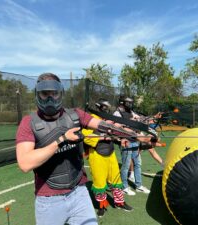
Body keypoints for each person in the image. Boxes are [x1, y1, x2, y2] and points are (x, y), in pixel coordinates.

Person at [15, 73, 152, 225]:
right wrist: (61, 140)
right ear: (37, 94)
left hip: (78, 192)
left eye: (54, 94)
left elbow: (104, 126)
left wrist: (136, 135)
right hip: (48, 199)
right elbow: (25, 163)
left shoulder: (75, 115)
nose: (50, 98)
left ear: (60, 94)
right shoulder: (29, 123)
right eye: (45, 94)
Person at [82, 99, 133, 217]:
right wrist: (101, 137)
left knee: (116, 180)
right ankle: (102, 206)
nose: (107, 110)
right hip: (97, 155)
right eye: (105, 107)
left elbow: (114, 135)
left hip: (110, 154)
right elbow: (85, 135)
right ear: (100, 107)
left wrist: (121, 140)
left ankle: (120, 202)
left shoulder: (107, 120)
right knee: (99, 182)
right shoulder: (90, 119)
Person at [113, 96, 151, 195]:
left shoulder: (131, 112)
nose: (130, 105)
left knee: (137, 164)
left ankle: (138, 186)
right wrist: (129, 125)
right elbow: (116, 127)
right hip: (126, 141)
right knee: (125, 166)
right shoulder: (117, 113)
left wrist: (143, 119)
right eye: (128, 103)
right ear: (122, 103)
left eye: (131, 103)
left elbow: (139, 120)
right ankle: (124, 187)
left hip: (134, 141)